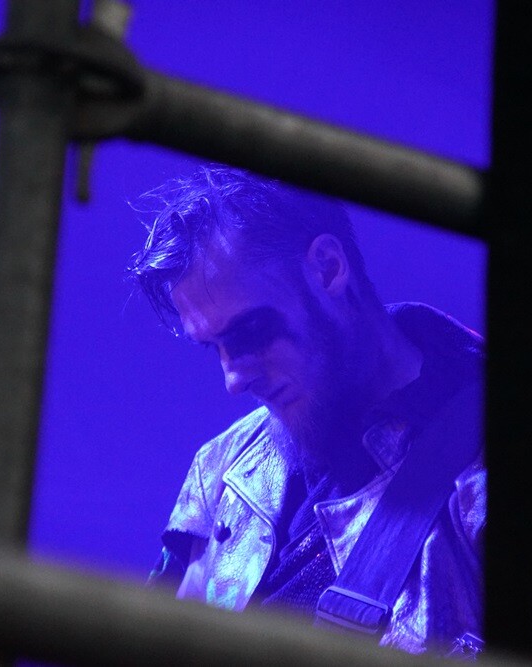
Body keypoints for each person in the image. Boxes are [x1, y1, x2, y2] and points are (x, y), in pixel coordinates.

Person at [129, 165, 485, 657]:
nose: (233, 380)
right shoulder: (221, 469)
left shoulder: (487, 467)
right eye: (215, 347)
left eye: (251, 332)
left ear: (328, 269)